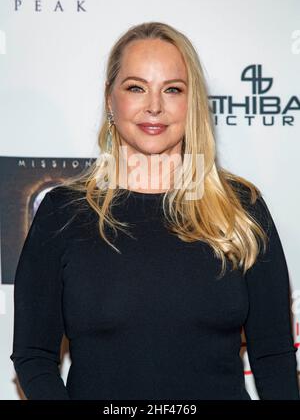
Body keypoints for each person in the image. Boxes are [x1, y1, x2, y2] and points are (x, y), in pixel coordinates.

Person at [10, 22, 299, 400]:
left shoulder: (242, 209)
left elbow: (275, 356)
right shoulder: (63, 213)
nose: (154, 106)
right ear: (110, 99)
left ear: (191, 102)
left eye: (173, 89)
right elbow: (34, 355)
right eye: (136, 87)